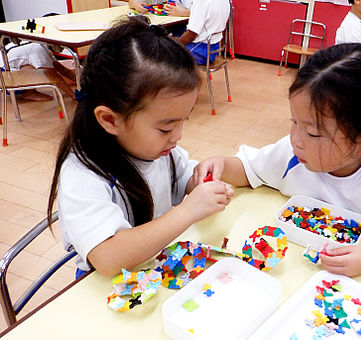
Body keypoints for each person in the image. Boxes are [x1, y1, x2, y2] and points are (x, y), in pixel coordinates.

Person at [193, 44, 361, 277]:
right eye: (294, 122)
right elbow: (250, 170)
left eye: (314, 132)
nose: (296, 139)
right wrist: (222, 165)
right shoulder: (294, 152)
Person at [46, 16, 233, 278]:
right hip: (108, 289)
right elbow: (109, 257)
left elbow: (180, 177)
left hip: (157, 270)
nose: (177, 136)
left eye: (183, 122)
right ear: (110, 119)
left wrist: (200, 179)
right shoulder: (83, 174)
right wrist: (189, 210)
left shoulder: (157, 150)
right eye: (166, 128)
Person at [129, 0, 230, 65]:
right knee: (168, 37)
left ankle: (167, 88)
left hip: (201, 50)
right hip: (214, 47)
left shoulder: (200, 2)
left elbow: (191, 34)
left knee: (159, 52)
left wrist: (174, 42)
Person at [0, 42, 75, 101]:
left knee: (40, 67)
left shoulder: (41, 45)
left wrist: (80, 81)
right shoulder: (38, 50)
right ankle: (29, 93)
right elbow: (53, 76)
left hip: (5, 71)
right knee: (39, 71)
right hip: (4, 80)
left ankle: (28, 91)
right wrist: (73, 95)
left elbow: (61, 69)